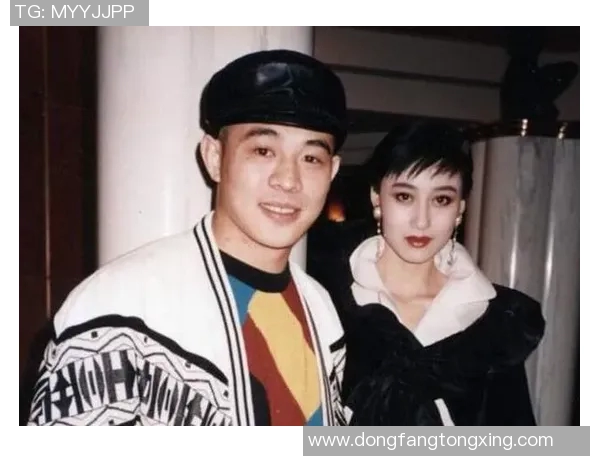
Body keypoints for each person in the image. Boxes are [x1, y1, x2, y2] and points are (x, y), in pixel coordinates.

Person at [27, 49, 351, 426]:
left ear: (332, 171)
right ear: (214, 157)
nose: (288, 180)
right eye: (263, 151)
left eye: (311, 158)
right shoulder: (120, 306)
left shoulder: (321, 310)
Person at [320, 120, 545, 426]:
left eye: (441, 200)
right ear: (376, 198)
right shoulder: (326, 298)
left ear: (460, 209)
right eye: (404, 196)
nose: (422, 221)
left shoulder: (495, 322)